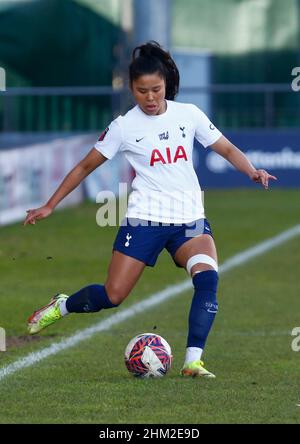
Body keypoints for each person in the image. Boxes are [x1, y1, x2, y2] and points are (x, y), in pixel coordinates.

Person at [24, 41, 277, 378]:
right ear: (131, 89)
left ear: (165, 84)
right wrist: (50, 205)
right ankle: (63, 305)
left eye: (156, 89)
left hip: (190, 222)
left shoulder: (189, 114)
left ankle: (192, 361)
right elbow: (85, 167)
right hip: (145, 221)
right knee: (113, 295)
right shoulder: (123, 127)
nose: (150, 97)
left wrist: (252, 170)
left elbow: (227, 148)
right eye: (142, 91)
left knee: (208, 279)